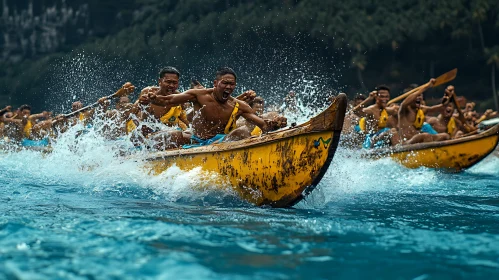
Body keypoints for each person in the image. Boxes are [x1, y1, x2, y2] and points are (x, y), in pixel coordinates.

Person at [148, 67, 286, 149]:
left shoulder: (239, 106)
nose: (228, 87)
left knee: (242, 132)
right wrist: (154, 99)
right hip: (195, 140)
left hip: (219, 142)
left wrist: (274, 125)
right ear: (215, 83)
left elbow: (262, 125)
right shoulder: (199, 95)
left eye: (231, 84)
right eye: (224, 83)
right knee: (171, 135)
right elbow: (169, 99)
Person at [130, 66, 189, 134]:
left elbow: (186, 120)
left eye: (174, 83)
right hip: (143, 131)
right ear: (160, 81)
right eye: (168, 82)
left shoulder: (179, 98)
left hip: (166, 131)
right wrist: (139, 126)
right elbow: (133, 114)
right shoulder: (148, 92)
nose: (172, 85)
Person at [398, 78, 450, 144]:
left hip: (418, 142)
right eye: (416, 96)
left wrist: (447, 99)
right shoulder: (404, 109)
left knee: (445, 136)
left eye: (420, 95)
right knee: (425, 136)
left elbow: (440, 107)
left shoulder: (422, 109)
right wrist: (427, 86)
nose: (419, 98)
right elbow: (404, 102)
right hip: (406, 143)